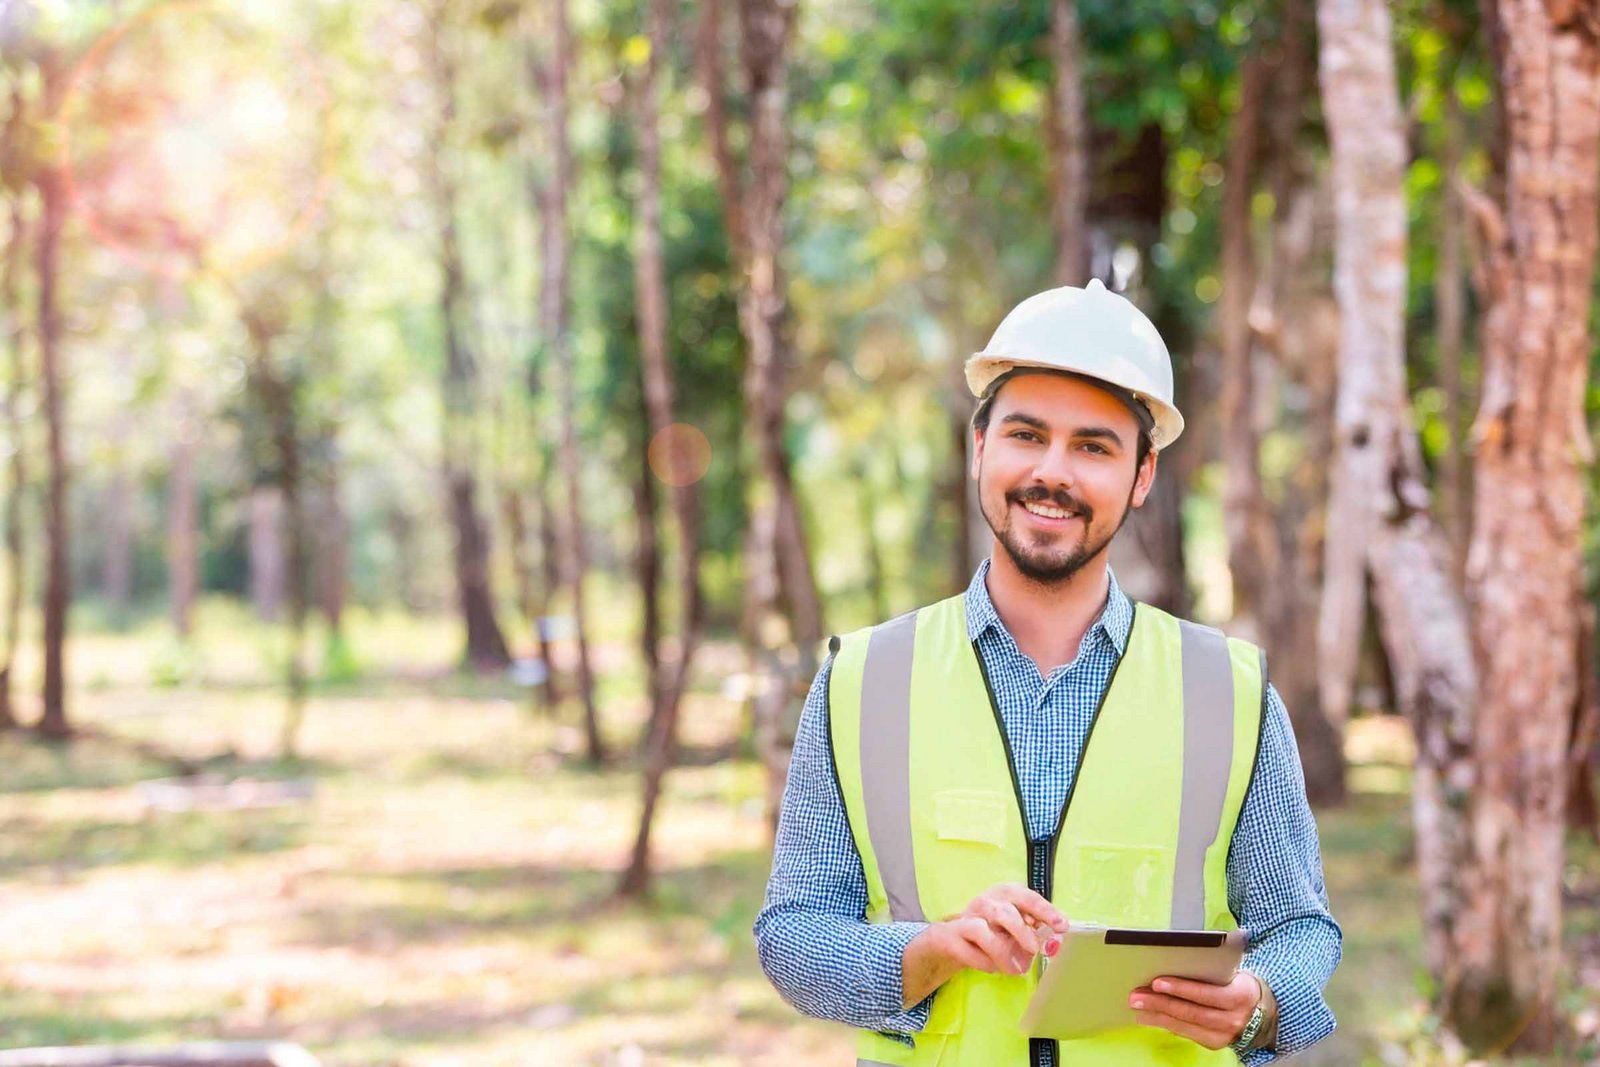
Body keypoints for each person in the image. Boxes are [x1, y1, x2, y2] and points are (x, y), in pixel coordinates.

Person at [753, 279, 1341, 1065]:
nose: (1052, 472)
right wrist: (931, 949)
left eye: (1093, 446)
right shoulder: (863, 680)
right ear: (979, 448)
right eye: (1026, 434)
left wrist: (1259, 1002)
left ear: (1141, 477)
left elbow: (1300, 929)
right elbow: (793, 933)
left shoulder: (1229, 692)